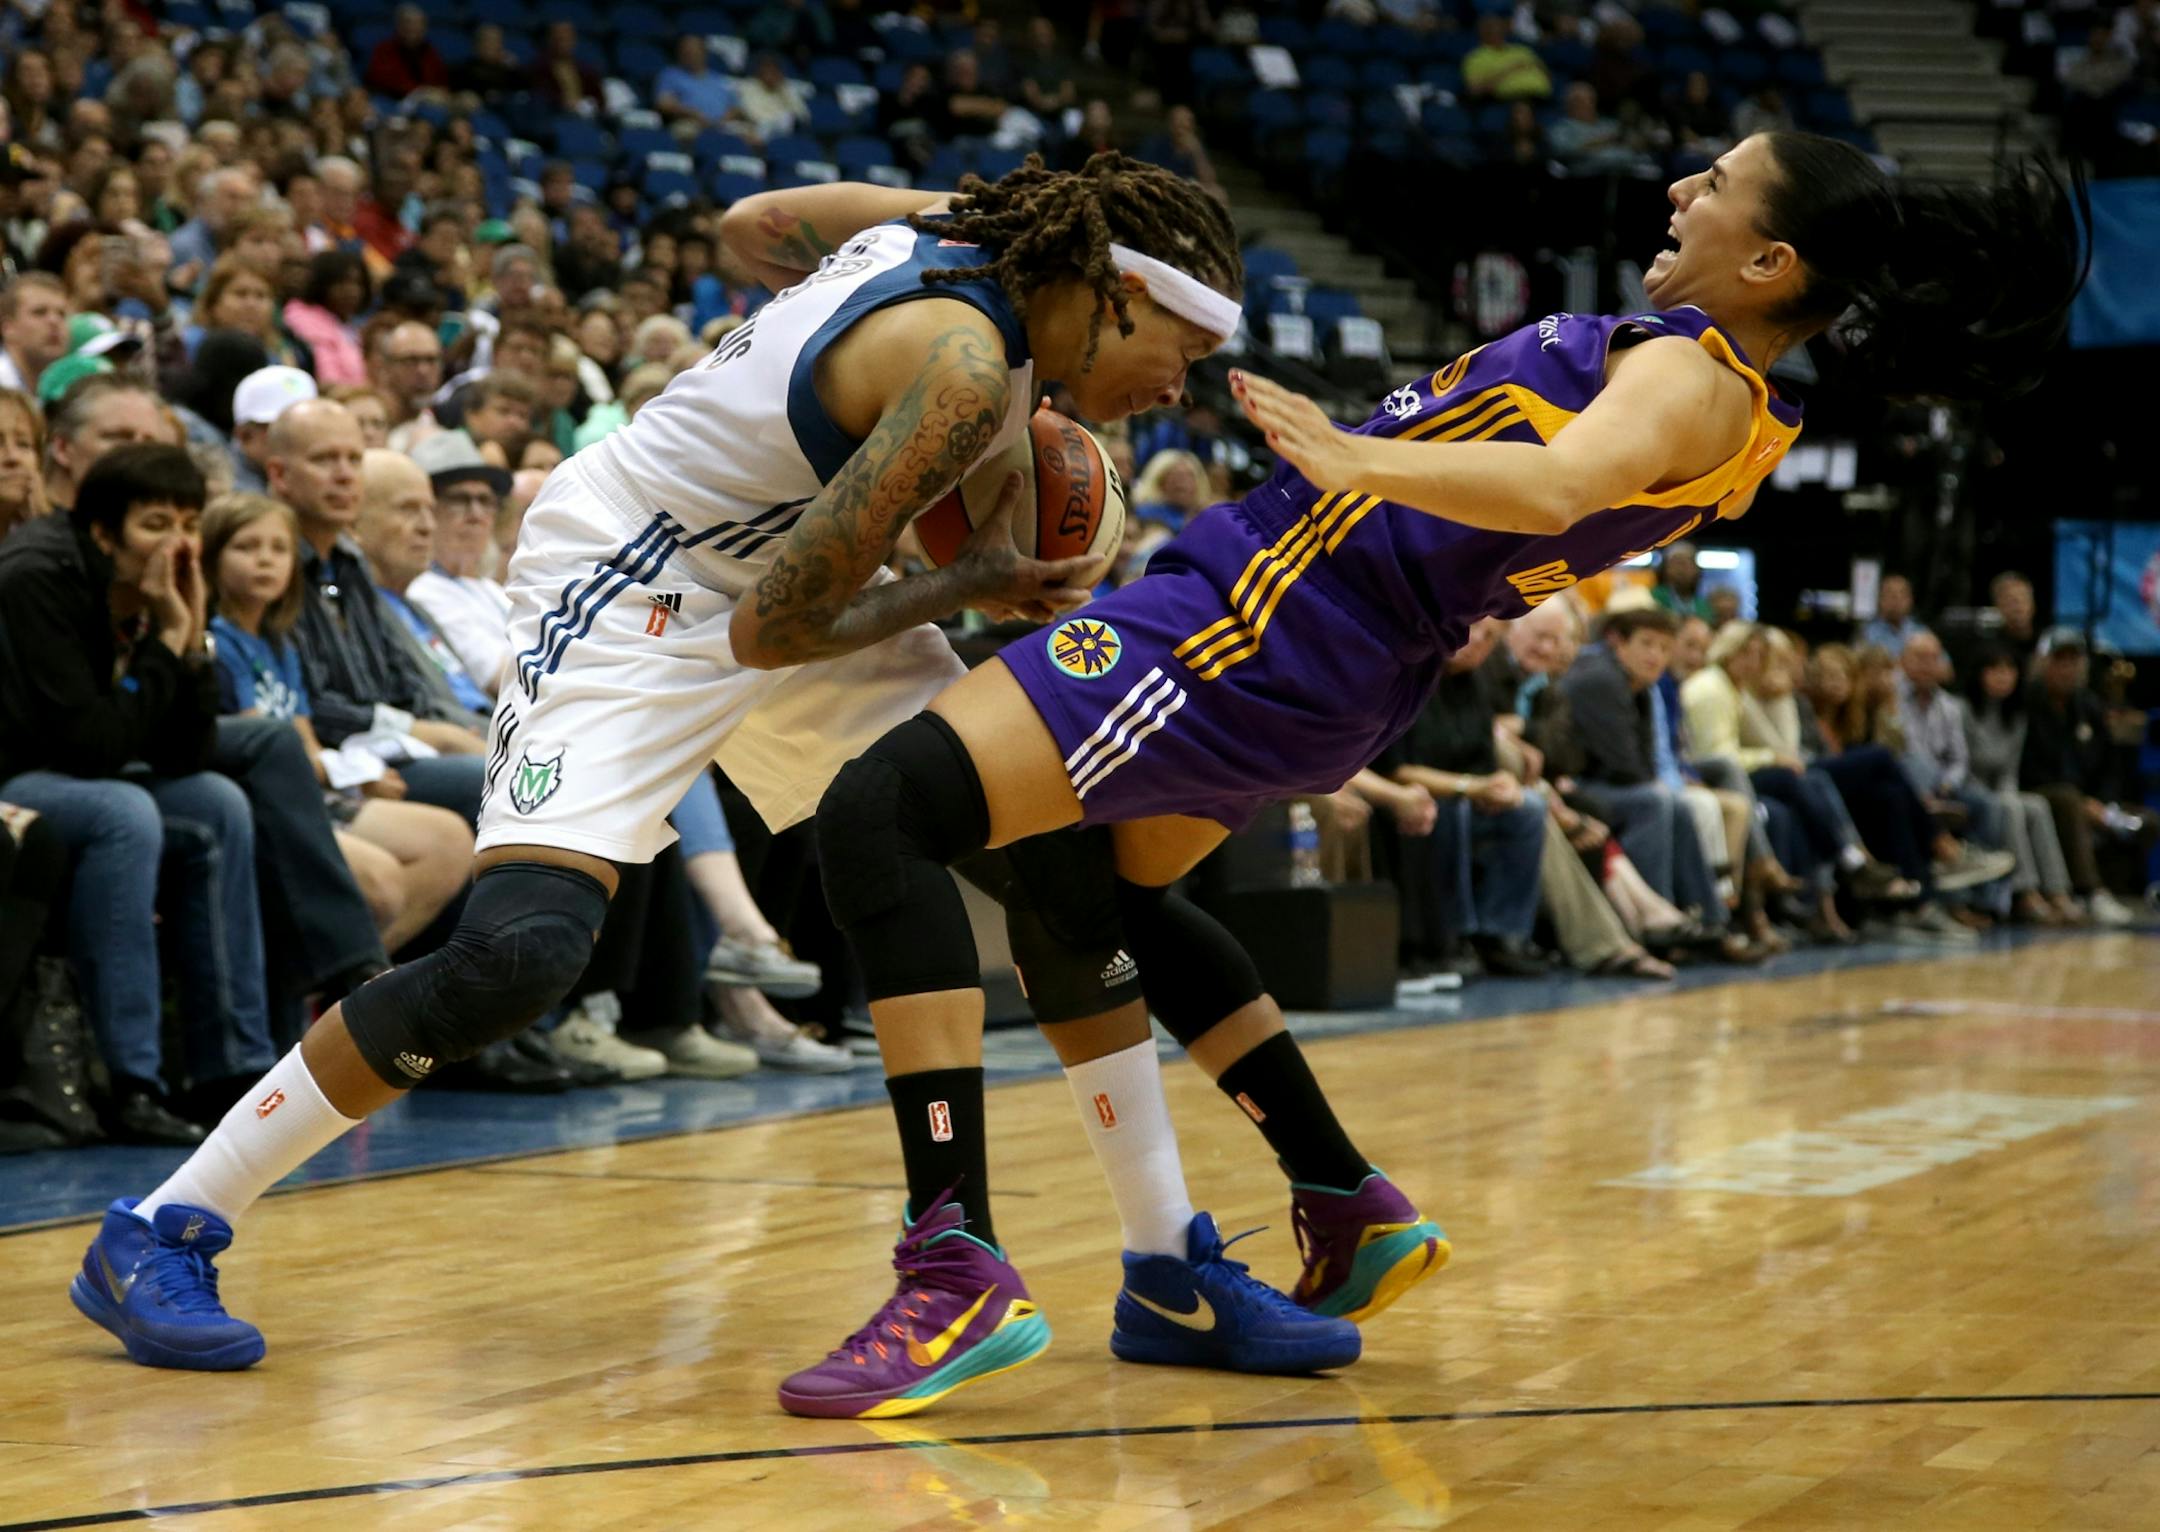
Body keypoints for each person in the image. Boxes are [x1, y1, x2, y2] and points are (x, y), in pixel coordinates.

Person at [805, 131, 2084, 1412]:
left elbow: (1565, 482)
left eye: (1717, 182)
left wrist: (1359, 459)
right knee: (1093, 898)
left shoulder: (1698, 374)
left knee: (882, 812)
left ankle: (952, 1258)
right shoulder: (1749, 410)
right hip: (1344, 656)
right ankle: (1335, 1196)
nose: (1682, 189)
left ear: (1768, 257)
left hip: (1268, 618)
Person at [73, 161, 1365, 1399]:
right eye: (1182, 353)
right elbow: (768, 635)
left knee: (1058, 864)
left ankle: (1165, 1267)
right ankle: (161, 1226)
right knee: (517, 955)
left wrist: (817, 404)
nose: (1181, 388)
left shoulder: (974, 230)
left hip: (794, 571)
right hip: (638, 586)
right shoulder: (964, 367)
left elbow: (753, 227)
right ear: (1114, 291)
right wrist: (969, 581)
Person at [0, 446, 279, 1148]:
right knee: (123, 814)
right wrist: (168, 642)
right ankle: (132, 1081)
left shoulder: (162, 590)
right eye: (156, 524)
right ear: (102, 534)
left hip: (75, 770)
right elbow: (89, 747)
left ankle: (230, 1071)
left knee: (216, 802)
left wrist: (188, 639)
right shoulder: (38, 578)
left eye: (189, 523)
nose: (180, 545)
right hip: (18, 776)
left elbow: (186, 753)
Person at [203, 491, 472, 955]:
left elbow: (303, 736)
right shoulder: (221, 643)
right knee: (383, 885)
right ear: (212, 557)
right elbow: (267, 744)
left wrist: (350, 781)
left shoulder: (278, 642)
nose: (265, 561)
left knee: (450, 844)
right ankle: (343, 987)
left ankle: (356, 990)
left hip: (312, 788)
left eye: (278, 549)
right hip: (267, 802)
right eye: (246, 548)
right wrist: (353, 774)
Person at [1379, 617, 1551, 977]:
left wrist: (1499, 783)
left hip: (1466, 793)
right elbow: (1399, 769)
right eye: (1476, 629)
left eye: (1490, 637)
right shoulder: (1409, 677)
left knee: (1529, 809)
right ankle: (1455, 935)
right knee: (1448, 812)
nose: (1479, 642)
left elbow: (1484, 762)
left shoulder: (1474, 684)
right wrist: (1469, 787)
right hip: (1411, 795)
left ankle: (1502, 932)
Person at [2019, 628, 2157, 925]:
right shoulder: (2028, 704)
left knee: (2148, 819)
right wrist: (2084, 803)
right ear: (2045, 663)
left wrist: (2103, 802)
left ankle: (2130, 889)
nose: (2068, 668)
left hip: (2089, 799)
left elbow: (2110, 766)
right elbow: (2027, 766)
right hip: (2044, 794)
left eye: (2074, 661)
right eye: (2061, 660)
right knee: (2070, 802)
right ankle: (2091, 891)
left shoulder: (2090, 706)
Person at [0, 271, 70, 396]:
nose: (54, 321)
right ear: (8, 328)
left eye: (62, 314)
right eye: (39, 312)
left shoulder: (70, 386)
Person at [1859, 571, 1929, 654]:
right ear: (1879, 600)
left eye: (1902, 594)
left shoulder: (1922, 632)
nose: (1897, 599)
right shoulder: (1866, 633)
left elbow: (1943, 663)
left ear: (1911, 600)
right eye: (1890, 594)